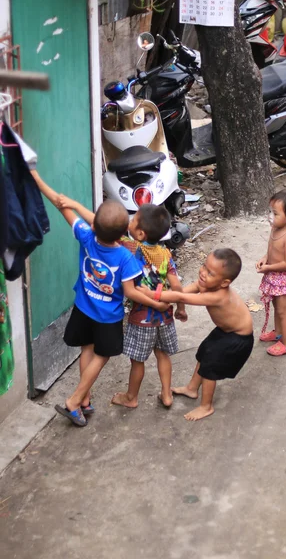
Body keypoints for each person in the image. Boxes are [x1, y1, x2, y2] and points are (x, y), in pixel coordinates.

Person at [30, 171, 169, 427]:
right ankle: (74, 401)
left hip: (83, 308)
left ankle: (85, 400)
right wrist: (156, 302)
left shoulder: (86, 236)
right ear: (123, 232)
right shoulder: (127, 258)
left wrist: (36, 177)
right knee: (101, 356)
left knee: (87, 349)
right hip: (108, 317)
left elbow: (60, 204)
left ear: (94, 225)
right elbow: (130, 292)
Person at [56, 198, 187, 409]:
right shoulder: (165, 254)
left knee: (138, 361)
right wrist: (180, 308)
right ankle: (166, 394)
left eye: (133, 221)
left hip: (142, 318)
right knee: (163, 354)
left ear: (140, 233)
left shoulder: (130, 247)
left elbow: (102, 228)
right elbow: (177, 287)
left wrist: (77, 206)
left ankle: (131, 397)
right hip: (165, 316)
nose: (129, 223)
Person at [138, 248, 254, 421]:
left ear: (224, 282)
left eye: (210, 273)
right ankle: (192, 388)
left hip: (238, 338)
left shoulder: (218, 295)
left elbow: (182, 298)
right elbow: (182, 292)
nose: (203, 273)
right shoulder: (206, 284)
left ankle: (206, 406)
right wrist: (166, 296)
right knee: (204, 352)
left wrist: (153, 294)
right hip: (225, 330)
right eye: (204, 266)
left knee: (210, 367)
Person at [256, 190, 286, 356]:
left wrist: (268, 268)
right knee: (277, 307)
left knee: (284, 312)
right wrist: (265, 258)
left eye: (275, 213)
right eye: (270, 212)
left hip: (285, 279)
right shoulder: (276, 228)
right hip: (274, 276)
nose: (270, 217)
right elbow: (272, 250)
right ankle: (278, 333)